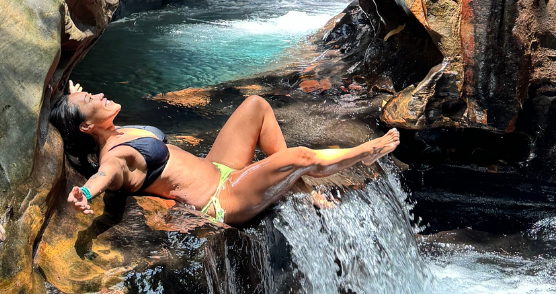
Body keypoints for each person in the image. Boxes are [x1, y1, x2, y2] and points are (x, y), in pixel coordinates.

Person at [50, 83, 401, 227]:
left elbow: (83, 116)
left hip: (219, 169)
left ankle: (300, 188)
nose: (98, 95)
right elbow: (104, 175)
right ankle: (365, 153)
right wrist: (85, 193)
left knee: (256, 105)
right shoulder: (114, 158)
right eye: (90, 100)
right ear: (86, 127)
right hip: (223, 198)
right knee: (300, 157)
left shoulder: (114, 129)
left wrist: (76, 96)